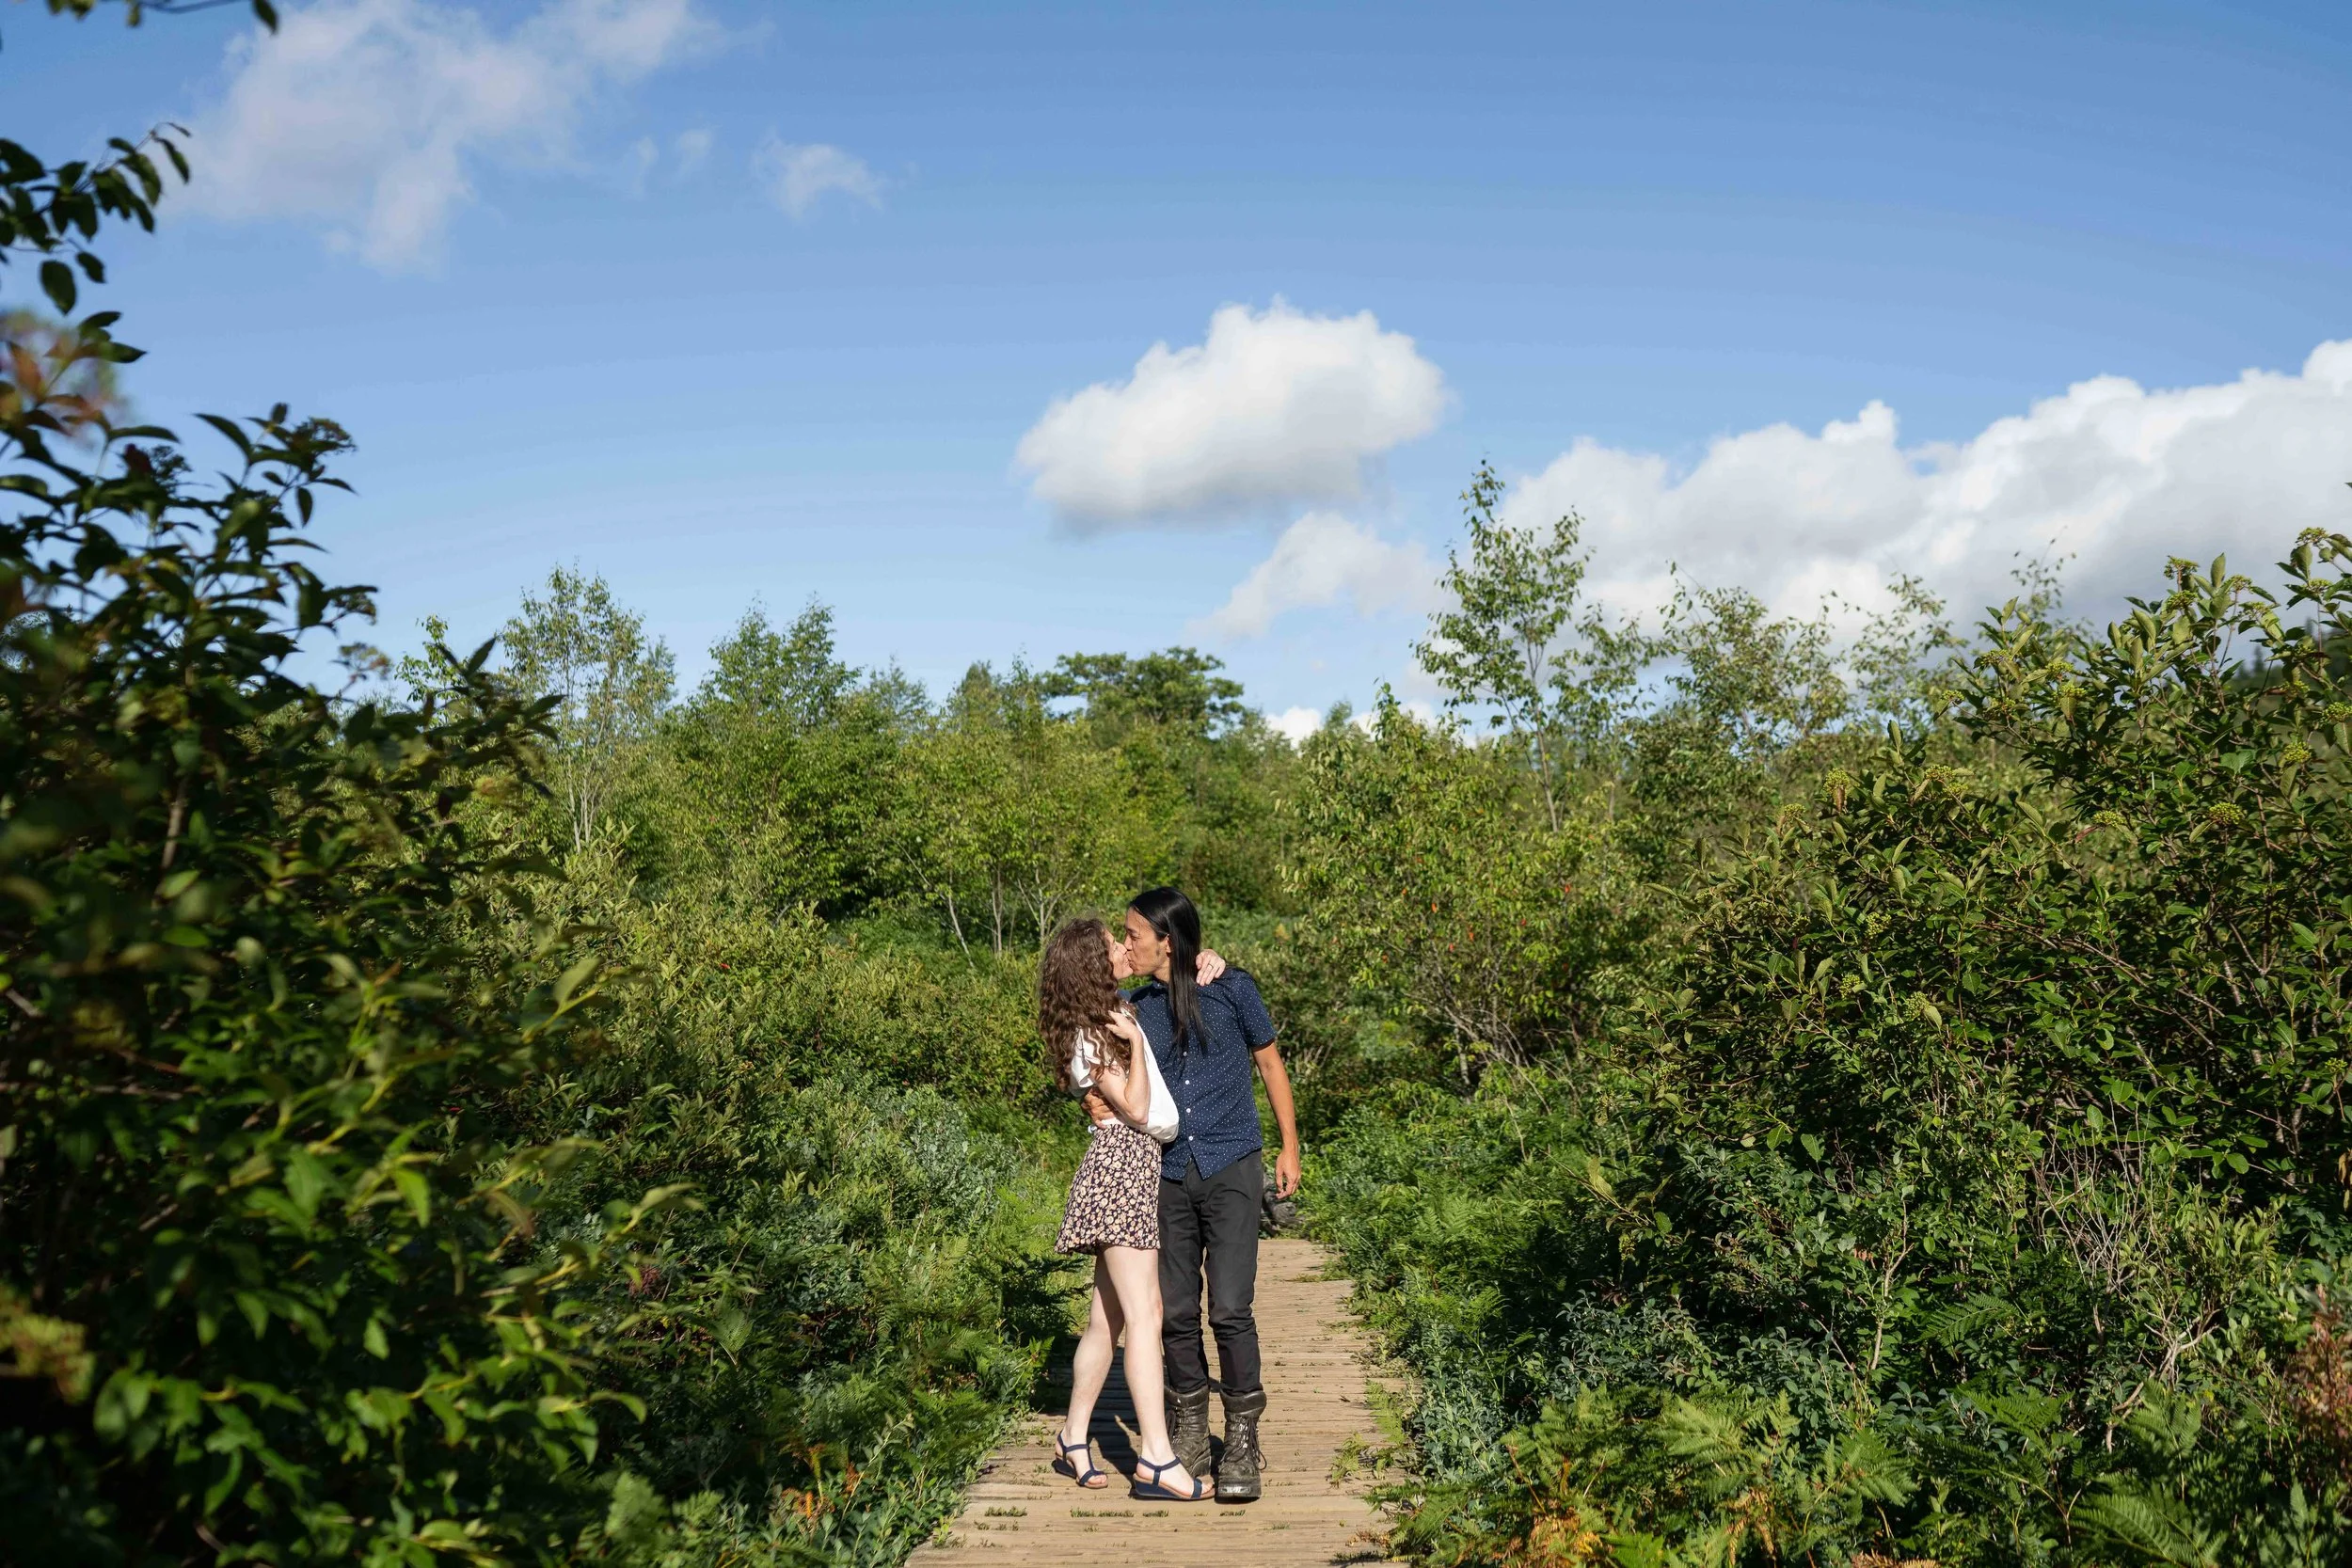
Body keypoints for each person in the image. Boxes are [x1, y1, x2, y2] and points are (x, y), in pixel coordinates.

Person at [1121, 886, 1300, 1503]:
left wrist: (1290, 1146)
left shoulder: (1233, 989)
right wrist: (1126, 963)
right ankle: (1191, 1429)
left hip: (1232, 1166)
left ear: (1167, 939)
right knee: (1174, 1309)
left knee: (1229, 1307)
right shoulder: (1135, 1005)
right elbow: (1082, 995)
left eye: (1135, 934)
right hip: (1167, 1172)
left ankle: (1243, 1436)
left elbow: (1271, 1065)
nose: (1127, 944)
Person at [1040, 917, 1211, 1503]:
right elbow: (1136, 1107)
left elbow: (1171, 968)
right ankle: (1157, 1460)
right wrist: (1136, 1045)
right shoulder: (1096, 1033)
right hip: (1122, 1164)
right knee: (1147, 1315)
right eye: (1113, 943)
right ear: (1091, 961)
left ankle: (1072, 1436)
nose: (1123, 947)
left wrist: (1201, 956)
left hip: (1125, 1164)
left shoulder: (1108, 1014)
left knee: (1107, 1320)